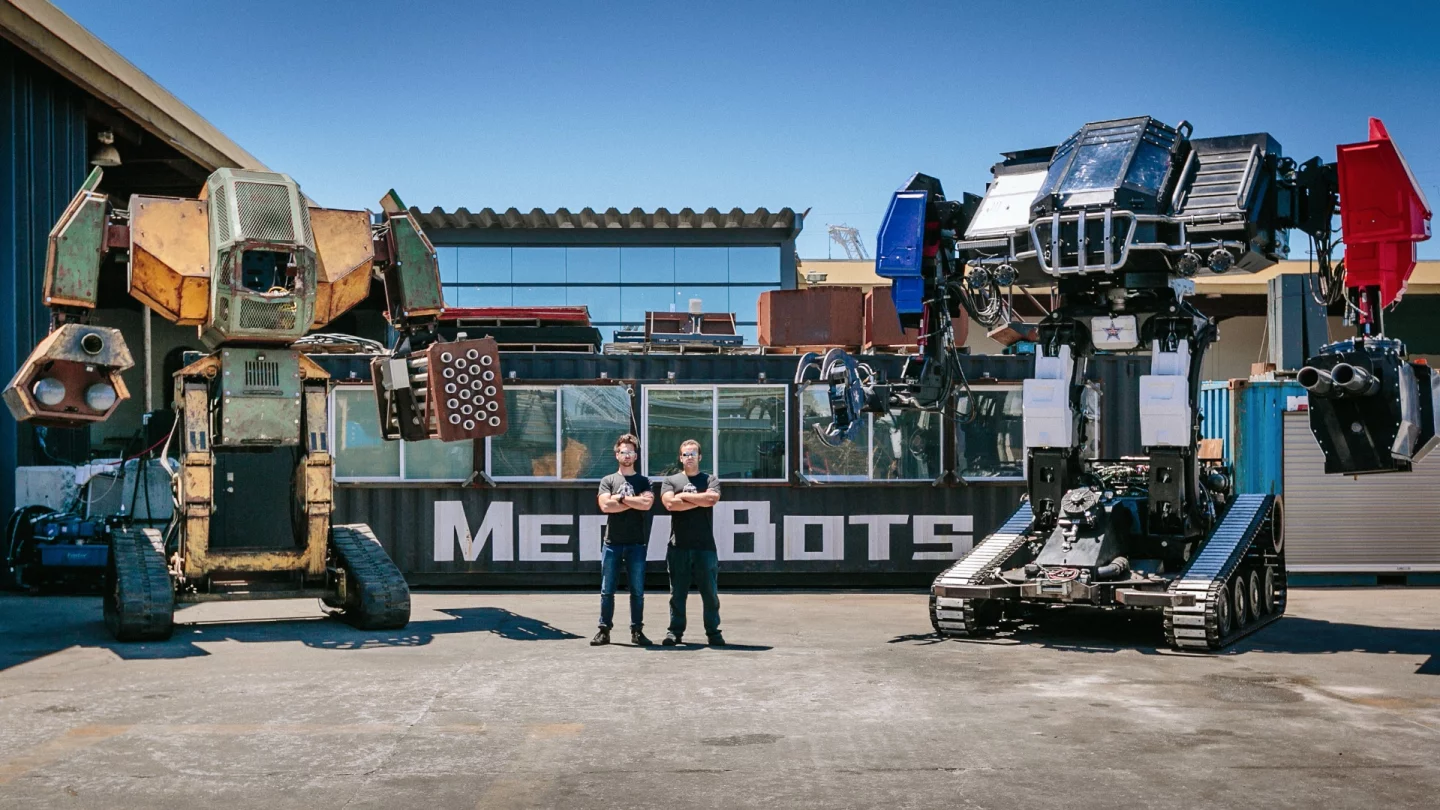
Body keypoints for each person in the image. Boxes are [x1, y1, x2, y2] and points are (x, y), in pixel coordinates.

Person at [660, 439, 724, 646]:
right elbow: (670, 503)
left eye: (693, 454)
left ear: (700, 457)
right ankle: (674, 632)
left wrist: (685, 497)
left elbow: (711, 500)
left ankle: (713, 633)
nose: (689, 457)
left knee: (710, 595)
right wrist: (699, 499)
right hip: (678, 547)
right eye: (686, 454)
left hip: (705, 547)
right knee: (677, 593)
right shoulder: (670, 481)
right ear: (680, 458)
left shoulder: (710, 479)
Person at [593, 433, 654, 646]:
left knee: (637, 590)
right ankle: (604, 630)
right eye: (623, 452)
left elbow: (646, 505)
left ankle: (637, 631)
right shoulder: (608, 480)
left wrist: (620, 498)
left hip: (636, 543)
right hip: (612, 543)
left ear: (635, 455)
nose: (626, 455)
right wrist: (632, 501)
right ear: (616, 454)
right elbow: (605, 506)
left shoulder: (643, 481)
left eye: (630, 452)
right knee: (607, 589)